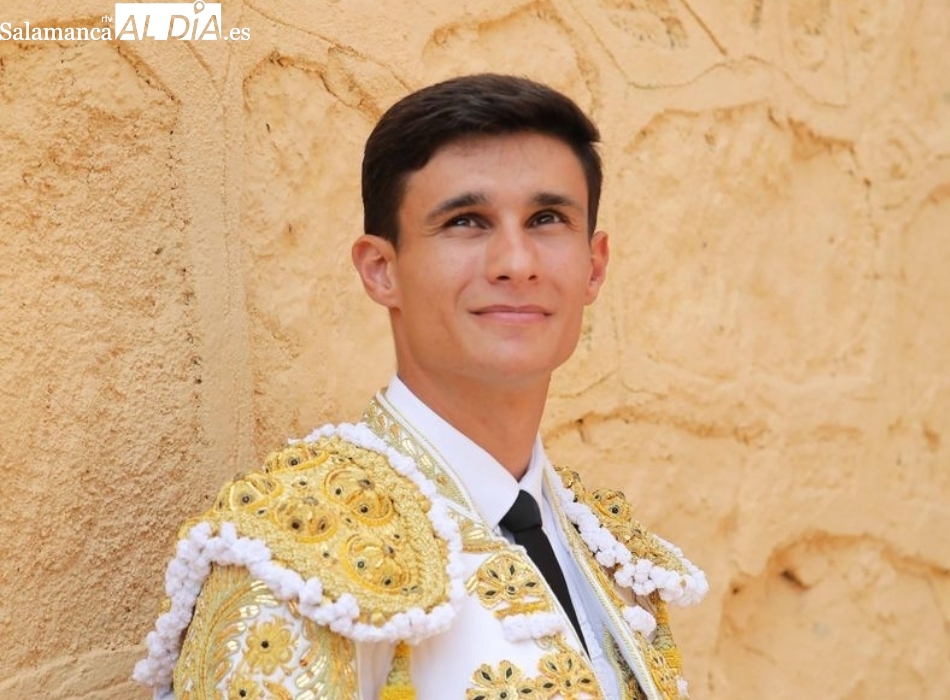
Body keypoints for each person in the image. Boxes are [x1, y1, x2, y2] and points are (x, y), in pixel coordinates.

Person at [134, 74, 707, 700]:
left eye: (547, 219)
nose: (516, 262)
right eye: (467, 221)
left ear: (593, 266)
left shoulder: (606, 548)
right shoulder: (298, 558)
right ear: (382, 271)